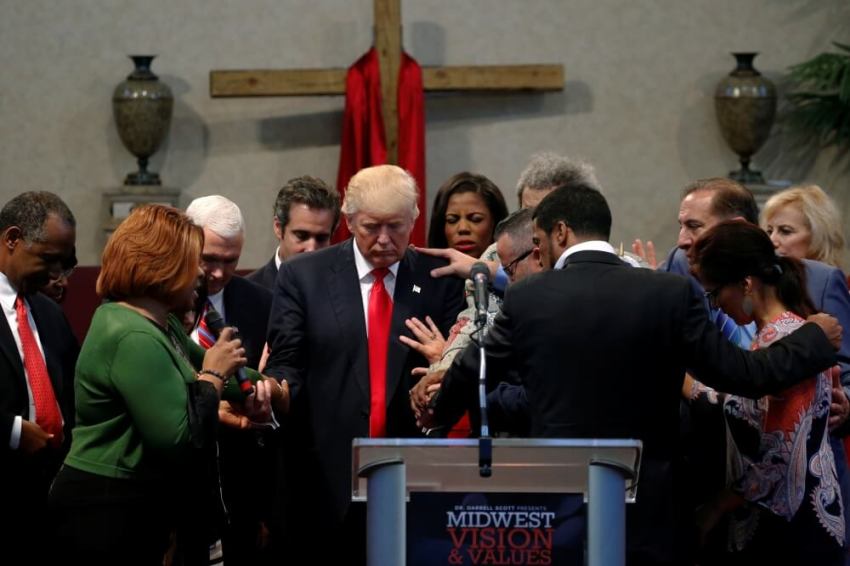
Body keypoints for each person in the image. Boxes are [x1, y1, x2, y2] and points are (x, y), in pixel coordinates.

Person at [427, 184, 842, 565]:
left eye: (538, 243)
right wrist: (814, 339)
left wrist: (436, 409)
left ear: (560, 232)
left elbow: (475, 368)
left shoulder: (529, 296)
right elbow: (746, 374)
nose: (540, 255)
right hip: (649, 504)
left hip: (563, 501)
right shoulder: (669, 293)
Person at [263, 164, 466, 564]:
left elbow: (458, 377)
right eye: (372, 227)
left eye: (397, 226)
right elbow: (287, 366)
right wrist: (272, 391)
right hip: (321, 481)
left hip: (412, 480)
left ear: (415, 219)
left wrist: (446, 361)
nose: (385, 240)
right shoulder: (304, 277)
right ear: (349, 220)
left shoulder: (440, 279)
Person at [47, 204, 268, 565]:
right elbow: (179, 440)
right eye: (192, 261)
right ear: (164, 267)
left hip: (132, 505)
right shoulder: (131, 332)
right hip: (105, 508)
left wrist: (271, 389)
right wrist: (213, 375)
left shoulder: (160, 324)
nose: (201, 273)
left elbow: (227, 377)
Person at [688, 221, 844, 565]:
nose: (716, 307)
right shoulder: (782, 338)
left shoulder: (785, 341)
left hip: (791, 530)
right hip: (778, 521)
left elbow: (779, 456)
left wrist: (716, 505)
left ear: (745, 284)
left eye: (715, 294)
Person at [185, 195, 277, 565]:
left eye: (231, 261)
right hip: (177, 476)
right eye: (209, 259)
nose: (219, 273)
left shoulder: (262, 303)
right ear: (187, 243)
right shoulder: (156, 304)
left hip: (240, 482)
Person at [0, 191, 79, 564]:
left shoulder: (49, 314)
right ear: (12, 239)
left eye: (63, 263)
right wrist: (13, 432)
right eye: (48, 259)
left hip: (49, 503)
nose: (55, 275)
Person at [247, 175, 340, 290]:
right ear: (278, 228)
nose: (311, 249)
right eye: (301, 235)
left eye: (321, 238)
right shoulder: (248, 293)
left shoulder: (345, 288)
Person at [427, 172, 508, 261]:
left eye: (475, 219)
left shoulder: (518, 273)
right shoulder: (423, 273)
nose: (463, 228)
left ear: (496, 223)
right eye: (452, 220)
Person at [762, 183, 845, 271]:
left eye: (785, 231)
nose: (772, 241)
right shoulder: (758, 281)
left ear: (817, 237)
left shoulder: (834, 282)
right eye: (769, 231)